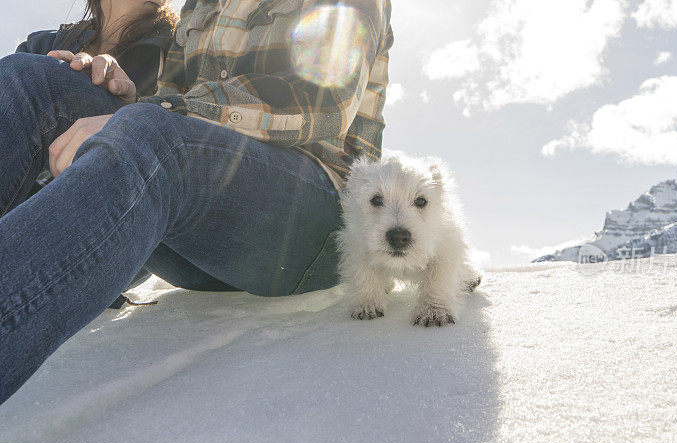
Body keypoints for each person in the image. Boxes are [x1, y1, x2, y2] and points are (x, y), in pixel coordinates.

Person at [0, 0, 393, 406]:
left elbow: (321, 103)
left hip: (314, 220)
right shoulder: (201, 7)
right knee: (35, 78)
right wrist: (127, 98)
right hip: (204, 228)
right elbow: (169, 103)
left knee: (154, 135)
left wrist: (153, 113)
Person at [17, 0, 177, 306]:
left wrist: (122, 106)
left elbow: (183, 130)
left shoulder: (180, 48)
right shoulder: (40, 45)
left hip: (106, 218)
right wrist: (56, 79)